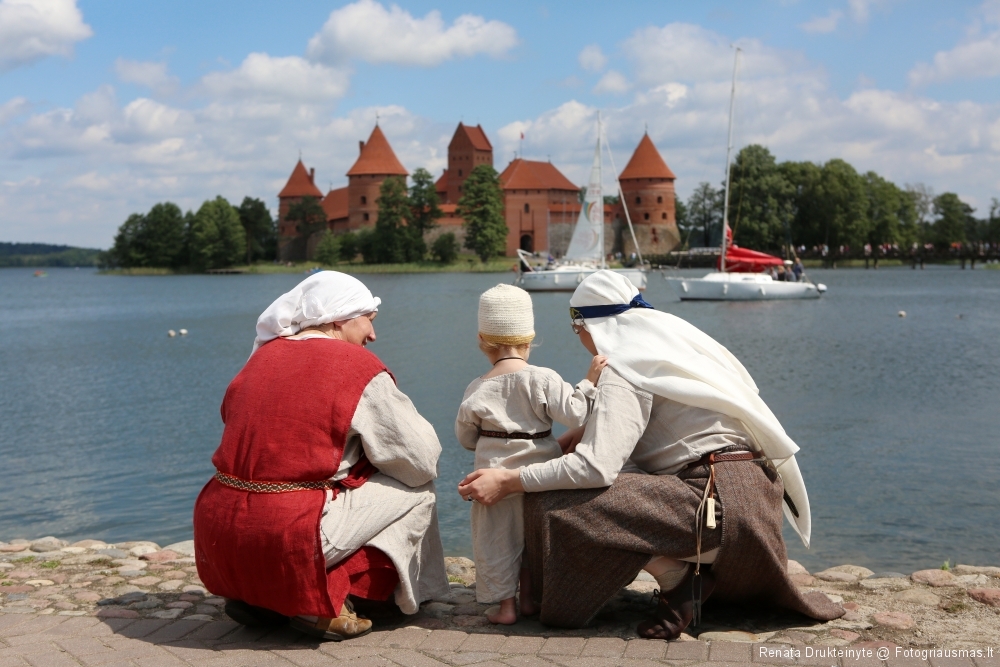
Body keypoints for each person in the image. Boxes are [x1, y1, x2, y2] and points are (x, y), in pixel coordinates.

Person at [458, 271, 843, 638]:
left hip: (713, 507)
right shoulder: (666, 350)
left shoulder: (624, 368)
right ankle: (680, 578)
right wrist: (582, 432)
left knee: (553, 502)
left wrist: (509, 480)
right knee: (580, 483)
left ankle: (673, 579)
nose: (579, 339)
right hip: (755, 506)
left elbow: (595, 468)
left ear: (590, 326)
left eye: (577, 329)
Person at [194, 272, 449, 642]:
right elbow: (422, 459)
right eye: (369, 321)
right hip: (287, 532)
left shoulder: (260, 358)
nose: (374, 336)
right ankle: (369, 597)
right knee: (418, 488)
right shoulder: (355, 366)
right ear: (337, 318)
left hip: (216, 531)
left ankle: (262, 597)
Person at [455, 284, 605, 625]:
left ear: (482, 339)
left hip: (491, 476)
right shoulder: (543, 378)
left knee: (499, 541)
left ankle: (506, 607)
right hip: (538, 477)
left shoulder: (476, 387)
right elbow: (576, 413)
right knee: (531, 539)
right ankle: (530, 601)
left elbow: (465, 437)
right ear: (530, 337)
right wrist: (588, 381)